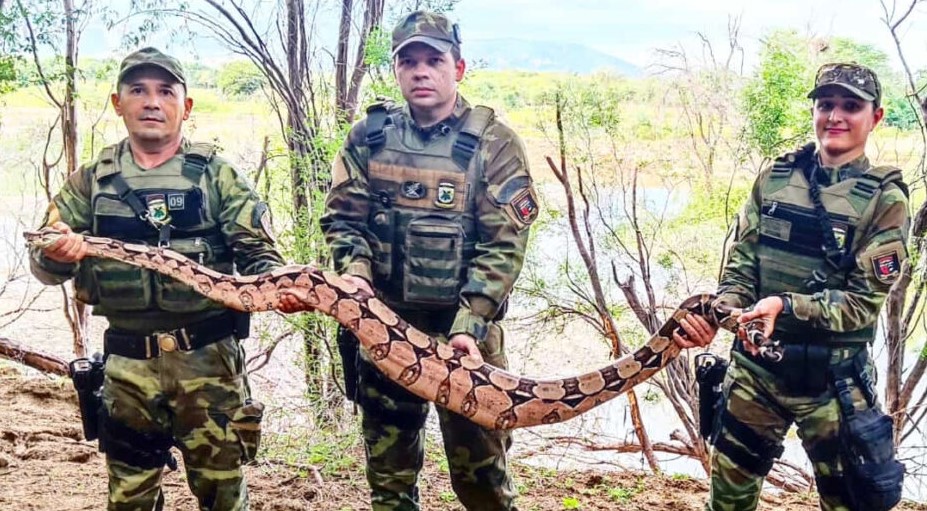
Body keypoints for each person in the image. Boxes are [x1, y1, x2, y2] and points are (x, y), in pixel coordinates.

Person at [29, 47, 285, 511]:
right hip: (128, 369)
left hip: (210, 364)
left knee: (223, 493)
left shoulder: (218, 176)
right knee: (129, 496)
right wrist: (57, 253)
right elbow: (44, 263)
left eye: (165, 91)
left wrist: (278, 288)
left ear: (185, 107)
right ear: (117, 103)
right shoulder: (91, 181)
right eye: (138, 90)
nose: (151, 102)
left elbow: (261, 257)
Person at [316, 10, 538, 511]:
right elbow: (342, 221)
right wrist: (355, 276)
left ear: (457, 68)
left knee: (483, 483)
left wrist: (470, 322)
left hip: (466, 340)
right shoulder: (368, 138)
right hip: (385, 330)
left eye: (433, 60)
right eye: (408, 61)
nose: (420, 71)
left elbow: (503, 243)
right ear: (395, 70)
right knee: (390, 483)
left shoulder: (493, 143)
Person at [675, 62, 910, 511]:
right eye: (826, 105)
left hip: (833, 381)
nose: (835, 116)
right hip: (755, 376)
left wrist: (785, 305)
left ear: (875, 117)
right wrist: (722, 313)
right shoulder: (775, 180)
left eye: (851, 106)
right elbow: (740, 270)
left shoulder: (886, 200)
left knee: (854, 503)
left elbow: (861, 305)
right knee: (727, 501)